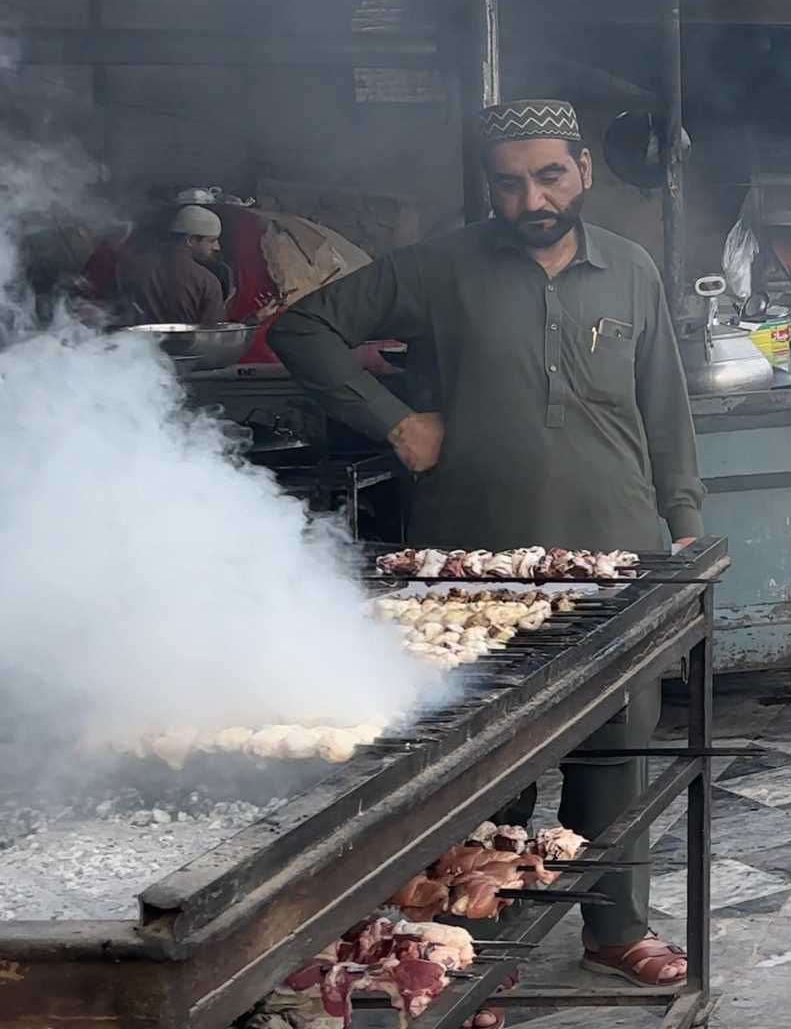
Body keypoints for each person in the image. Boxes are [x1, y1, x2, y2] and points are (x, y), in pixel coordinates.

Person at [271, 99, 699, 994]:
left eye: (548, 175)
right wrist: (395, 423)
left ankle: (614, 929)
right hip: (471, 567)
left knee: (616, 753)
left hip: (613, 552)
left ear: (583, 168)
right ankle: (471, 956)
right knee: (478, 766)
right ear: (490, 189)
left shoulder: (632, 271)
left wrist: (682, 512)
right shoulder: (441, 268)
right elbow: (300, 329)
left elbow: (665, 404)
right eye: (508, 183)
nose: (530, 198)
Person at [120, 204, 229, 324]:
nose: (217, 247)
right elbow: (211, 332)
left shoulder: (133, 266)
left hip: (137, 342)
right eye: (212, 241)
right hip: (192, 343)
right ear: (191, 240)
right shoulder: (207, 281)